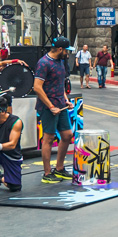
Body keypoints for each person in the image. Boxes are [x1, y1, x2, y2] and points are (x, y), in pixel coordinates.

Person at [34, 36, 75, 183]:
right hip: (48, 106)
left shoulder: (61, 62)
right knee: (49, 138)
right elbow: (37, 87)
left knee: (67, 135)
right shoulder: (44, 63)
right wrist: (50, 106)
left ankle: (59, 168)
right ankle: (47, 173)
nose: (68, 53)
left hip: (60, 104)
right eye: (67, 50)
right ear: (60, 49)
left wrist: (66, 99)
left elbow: (60, 83)